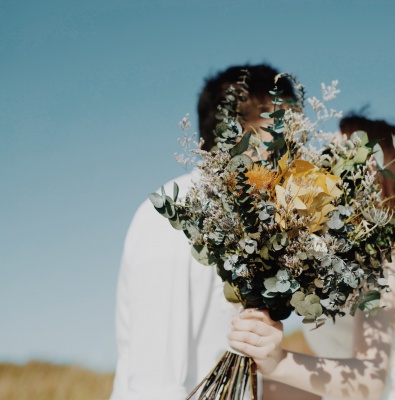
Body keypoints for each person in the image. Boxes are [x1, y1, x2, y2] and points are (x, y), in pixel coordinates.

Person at [109, 64, 297, 400]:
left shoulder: (257, 223)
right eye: (284, 130)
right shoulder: (169, 217)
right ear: (238, 135)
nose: (295, 150)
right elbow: (155, 384)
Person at [228, 115, 395, 400]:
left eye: (335, 157)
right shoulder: (338, 259)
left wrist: (276, 362)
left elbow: (370, 382)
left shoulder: (385, 259)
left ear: (370, 175)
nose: (322, 166)